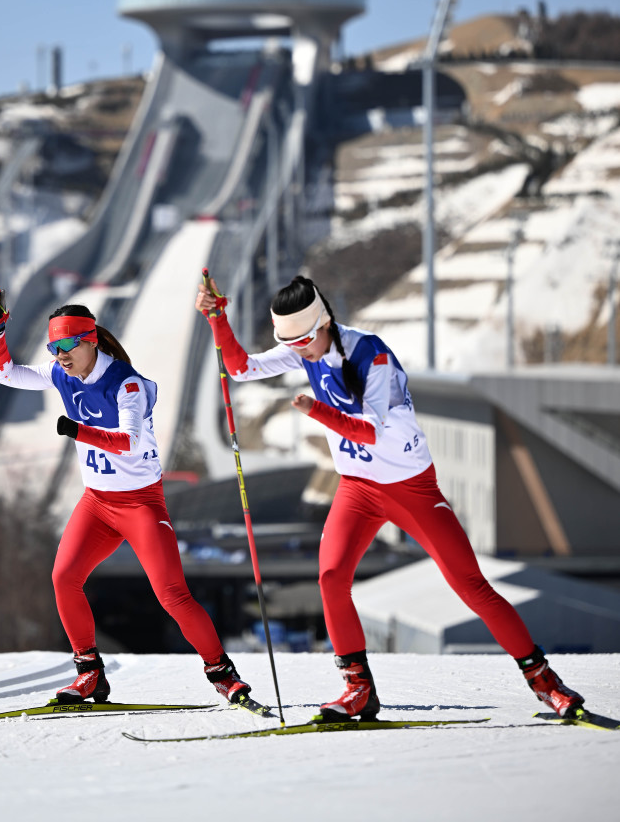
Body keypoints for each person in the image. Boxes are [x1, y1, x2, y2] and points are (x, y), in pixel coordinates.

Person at [195, 274, 585, 722]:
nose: (299, 349)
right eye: (290, 341)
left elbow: (372, 432)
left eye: (304, 338)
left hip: (409, 488)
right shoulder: (306, 345)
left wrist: (315, 410)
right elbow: (242, 368)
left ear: (324, 322)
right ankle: (358, 688)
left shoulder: (371, 357)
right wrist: (217, 319)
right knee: (331, 577)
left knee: (470, 585)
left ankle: (546, 683)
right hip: (358, 487)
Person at [0, 293, 257, 707]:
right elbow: (4, 373)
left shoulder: (125, 383)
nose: (59, 357)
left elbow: (128, 443)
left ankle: (222, 673)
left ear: (90, 341)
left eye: (66, 346)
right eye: (52, 349)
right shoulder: (62, 373)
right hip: (96, 503)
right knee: (63, 578)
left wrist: (77, 431)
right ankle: (89, 674)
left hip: (140, 504)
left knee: (172, 595)